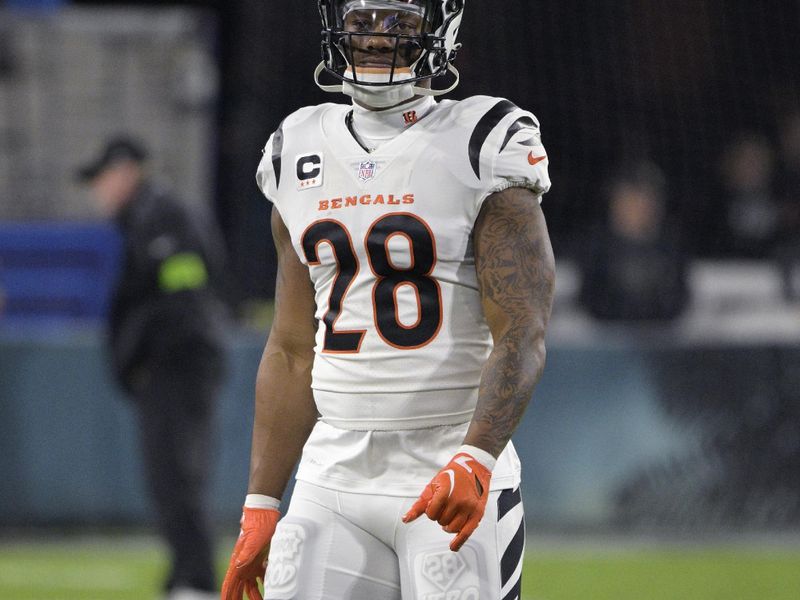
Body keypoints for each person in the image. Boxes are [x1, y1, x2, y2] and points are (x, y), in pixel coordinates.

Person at [222, 2, 555, 599]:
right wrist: (261, 501)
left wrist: (476, 457)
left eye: (397, 23)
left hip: (446, 458)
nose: (376, 39)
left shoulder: (483, 140)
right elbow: (294, 348)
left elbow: (522, 330)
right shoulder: (294, 147)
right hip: (331, 471)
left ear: (439, 30)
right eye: (362, 22)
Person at [77, 136, 228, 600]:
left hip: (178, 365)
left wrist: (146, 354)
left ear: (124, 171)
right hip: (171, 365)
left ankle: (195, 581)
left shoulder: (162, 215)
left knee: (177, 474)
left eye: (101, 179)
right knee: (169, 476)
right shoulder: (146, 218)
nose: (97, 192)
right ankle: (186, 575)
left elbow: (183, 293)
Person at [578, 160, 689, 322]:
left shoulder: (672, 246)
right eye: (632, 198)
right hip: (605, 339)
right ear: (616, 201)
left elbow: (677, 299)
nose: (641, 206)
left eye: (648, 199)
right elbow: (592, 299)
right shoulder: (595, 246)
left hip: (660, 340)